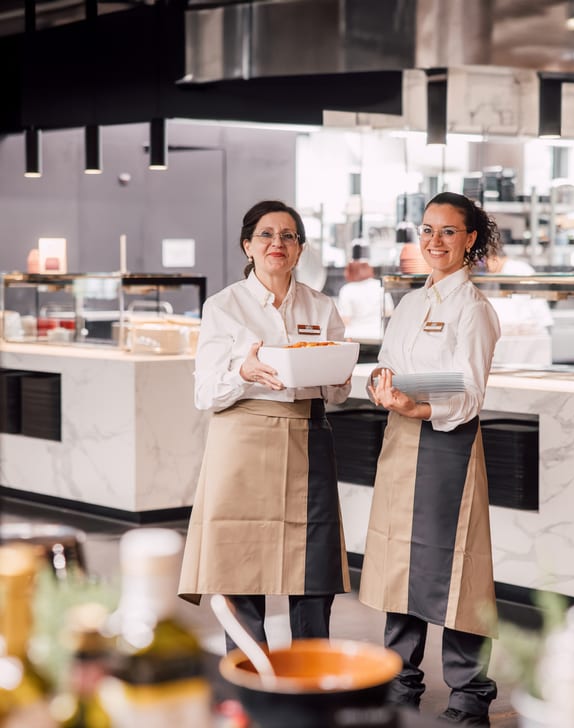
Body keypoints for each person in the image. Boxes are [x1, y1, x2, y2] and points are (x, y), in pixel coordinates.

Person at [178, 199, 351, 648]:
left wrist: (339, 375)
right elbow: (205, 393)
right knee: (240, 565)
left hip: (308, 438)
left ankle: (314, 674)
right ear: (248, 246)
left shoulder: (322, 307)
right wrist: (244, 372)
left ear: (300, 249)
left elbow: (335, 393)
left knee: (313, 568)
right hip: (242, 440)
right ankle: (248, 674)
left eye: (289, 236)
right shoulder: (224, 307)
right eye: (267, 235)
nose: (278, 243)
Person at [359, 192, 502, 726]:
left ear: (469, 240)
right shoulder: (411, 304)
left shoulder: (475, 309)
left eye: (447, 231)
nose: (434, 241)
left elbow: (469, 391)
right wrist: (381, 385)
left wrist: (415, 400)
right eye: (427, 230)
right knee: (401, 564)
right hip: (400, 441)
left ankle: (469, 695)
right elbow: (388, 364)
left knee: (456, 568)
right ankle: (399, 682)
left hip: (449, 444)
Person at [337, 243, 394, 341]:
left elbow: (345, 320)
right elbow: (389, 312)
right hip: (378, 337)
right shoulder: (380, 286)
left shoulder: (347, 290)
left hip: (355, 338)